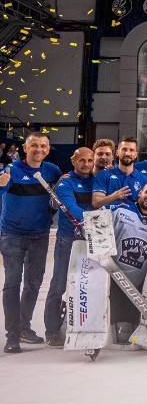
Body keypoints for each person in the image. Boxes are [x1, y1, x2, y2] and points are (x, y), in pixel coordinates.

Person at [0, 132, 62, 353]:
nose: (39, 149)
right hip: (12, 236)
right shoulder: (11, 171)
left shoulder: (52, 171)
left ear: (48, 148)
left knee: (33, 284)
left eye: (43, 146)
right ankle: (12, 336)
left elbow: (58, 196)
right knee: (12, 284)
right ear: (25, 148)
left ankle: (24, 328)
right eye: (34, 145)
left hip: (40, 235)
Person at [105, 181, 147, 346]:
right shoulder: (120, 211)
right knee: (121, 336)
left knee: (130, 335)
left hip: (139, 287)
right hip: (113, 278)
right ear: (140, 193)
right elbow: (100, 235)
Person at [44, 147, 96, 347]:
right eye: (81, 160)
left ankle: (86, 327)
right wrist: (96, 221)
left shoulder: (95, 181)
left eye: (89, 160)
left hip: (92, 240)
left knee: (90, 285)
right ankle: (51, 330)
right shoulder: (66, 182)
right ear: (74, 161)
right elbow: (71, 209)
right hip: (68, 239)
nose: (86, 164)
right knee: (59, 284)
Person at [92, 137, 147, 208]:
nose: (127, 153)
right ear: (117, 153)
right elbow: (96, 203)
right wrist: (114, 196)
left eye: (131, 150)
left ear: (136, 155)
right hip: (109, 218)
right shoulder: (104, 174)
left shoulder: (145, 180)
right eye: (124, 149)